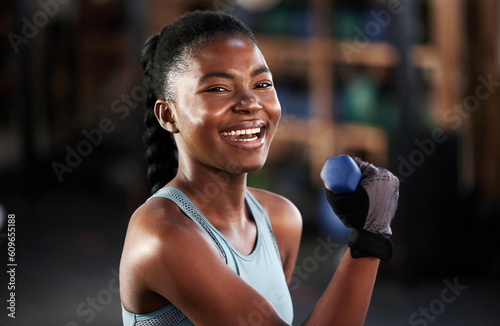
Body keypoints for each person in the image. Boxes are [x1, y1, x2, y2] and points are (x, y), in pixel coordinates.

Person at [119, 10, 399, 326]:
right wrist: (370, 237)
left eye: (262, 83)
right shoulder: (161, 236)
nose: (250, 102)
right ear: (168, 115)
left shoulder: (281, 220)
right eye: (218, 88)